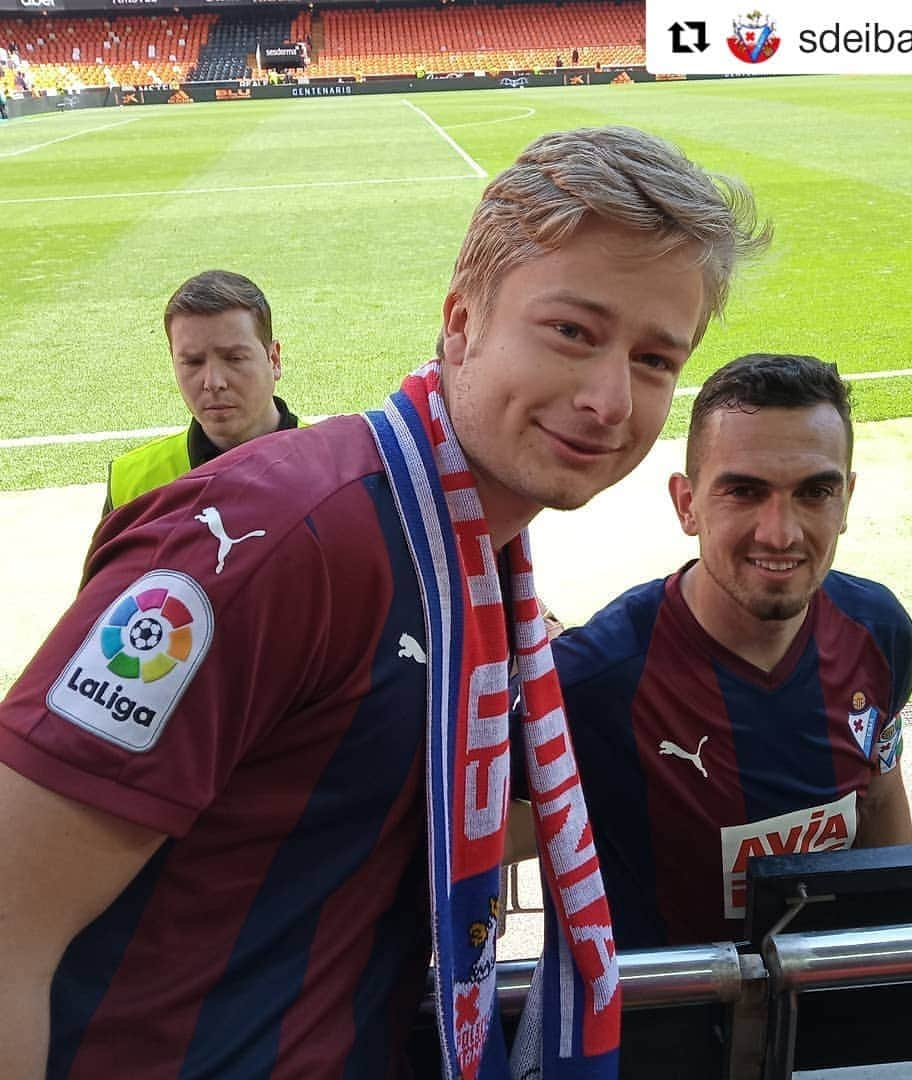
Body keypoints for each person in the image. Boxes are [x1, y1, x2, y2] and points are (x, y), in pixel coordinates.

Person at [0, 127, 768, 1078]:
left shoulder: (469, 557)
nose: (610, 398)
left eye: (656, 359)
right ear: (461, 321)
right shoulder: (276, 542)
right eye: (573, 331)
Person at [550, 353, 912, 950]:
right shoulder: (594, 681)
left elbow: (878, 797)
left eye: (815, 491)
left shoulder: (879, 629)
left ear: (846, 500)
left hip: (824, 1015)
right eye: (744, 492)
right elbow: (472, 852)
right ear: (686, 503)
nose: (781, 533)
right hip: (667, 1029)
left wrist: (883, 960)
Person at [103, 270, 303, 513]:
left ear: (274, 360)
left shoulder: (339, 466)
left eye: (234, 358)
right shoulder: (132, 484)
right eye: (193, 362)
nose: (213, 382)